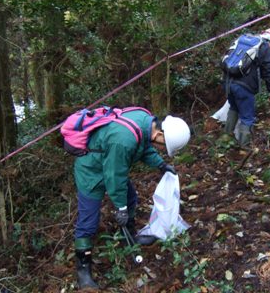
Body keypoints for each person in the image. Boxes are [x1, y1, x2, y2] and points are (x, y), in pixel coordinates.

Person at [73, 108, 191, 289]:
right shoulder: (124, 141)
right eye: (162, 145)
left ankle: (129, 238)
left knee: (130, 197)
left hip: (109, 161)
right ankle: (83, 270)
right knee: (88, 221)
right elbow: (114, 176)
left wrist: (161, 165)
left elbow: (143, 148)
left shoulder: (145, 123)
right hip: (91, 171)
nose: (160, 148)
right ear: (160, 133)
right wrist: (120, 208)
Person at [223, 28, 270, 146]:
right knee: (247, 117)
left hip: (228, 82)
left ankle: (225, 139)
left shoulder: (244, 41)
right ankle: (243, 146)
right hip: (244, 88)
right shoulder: (264, 47)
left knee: (233, 108)